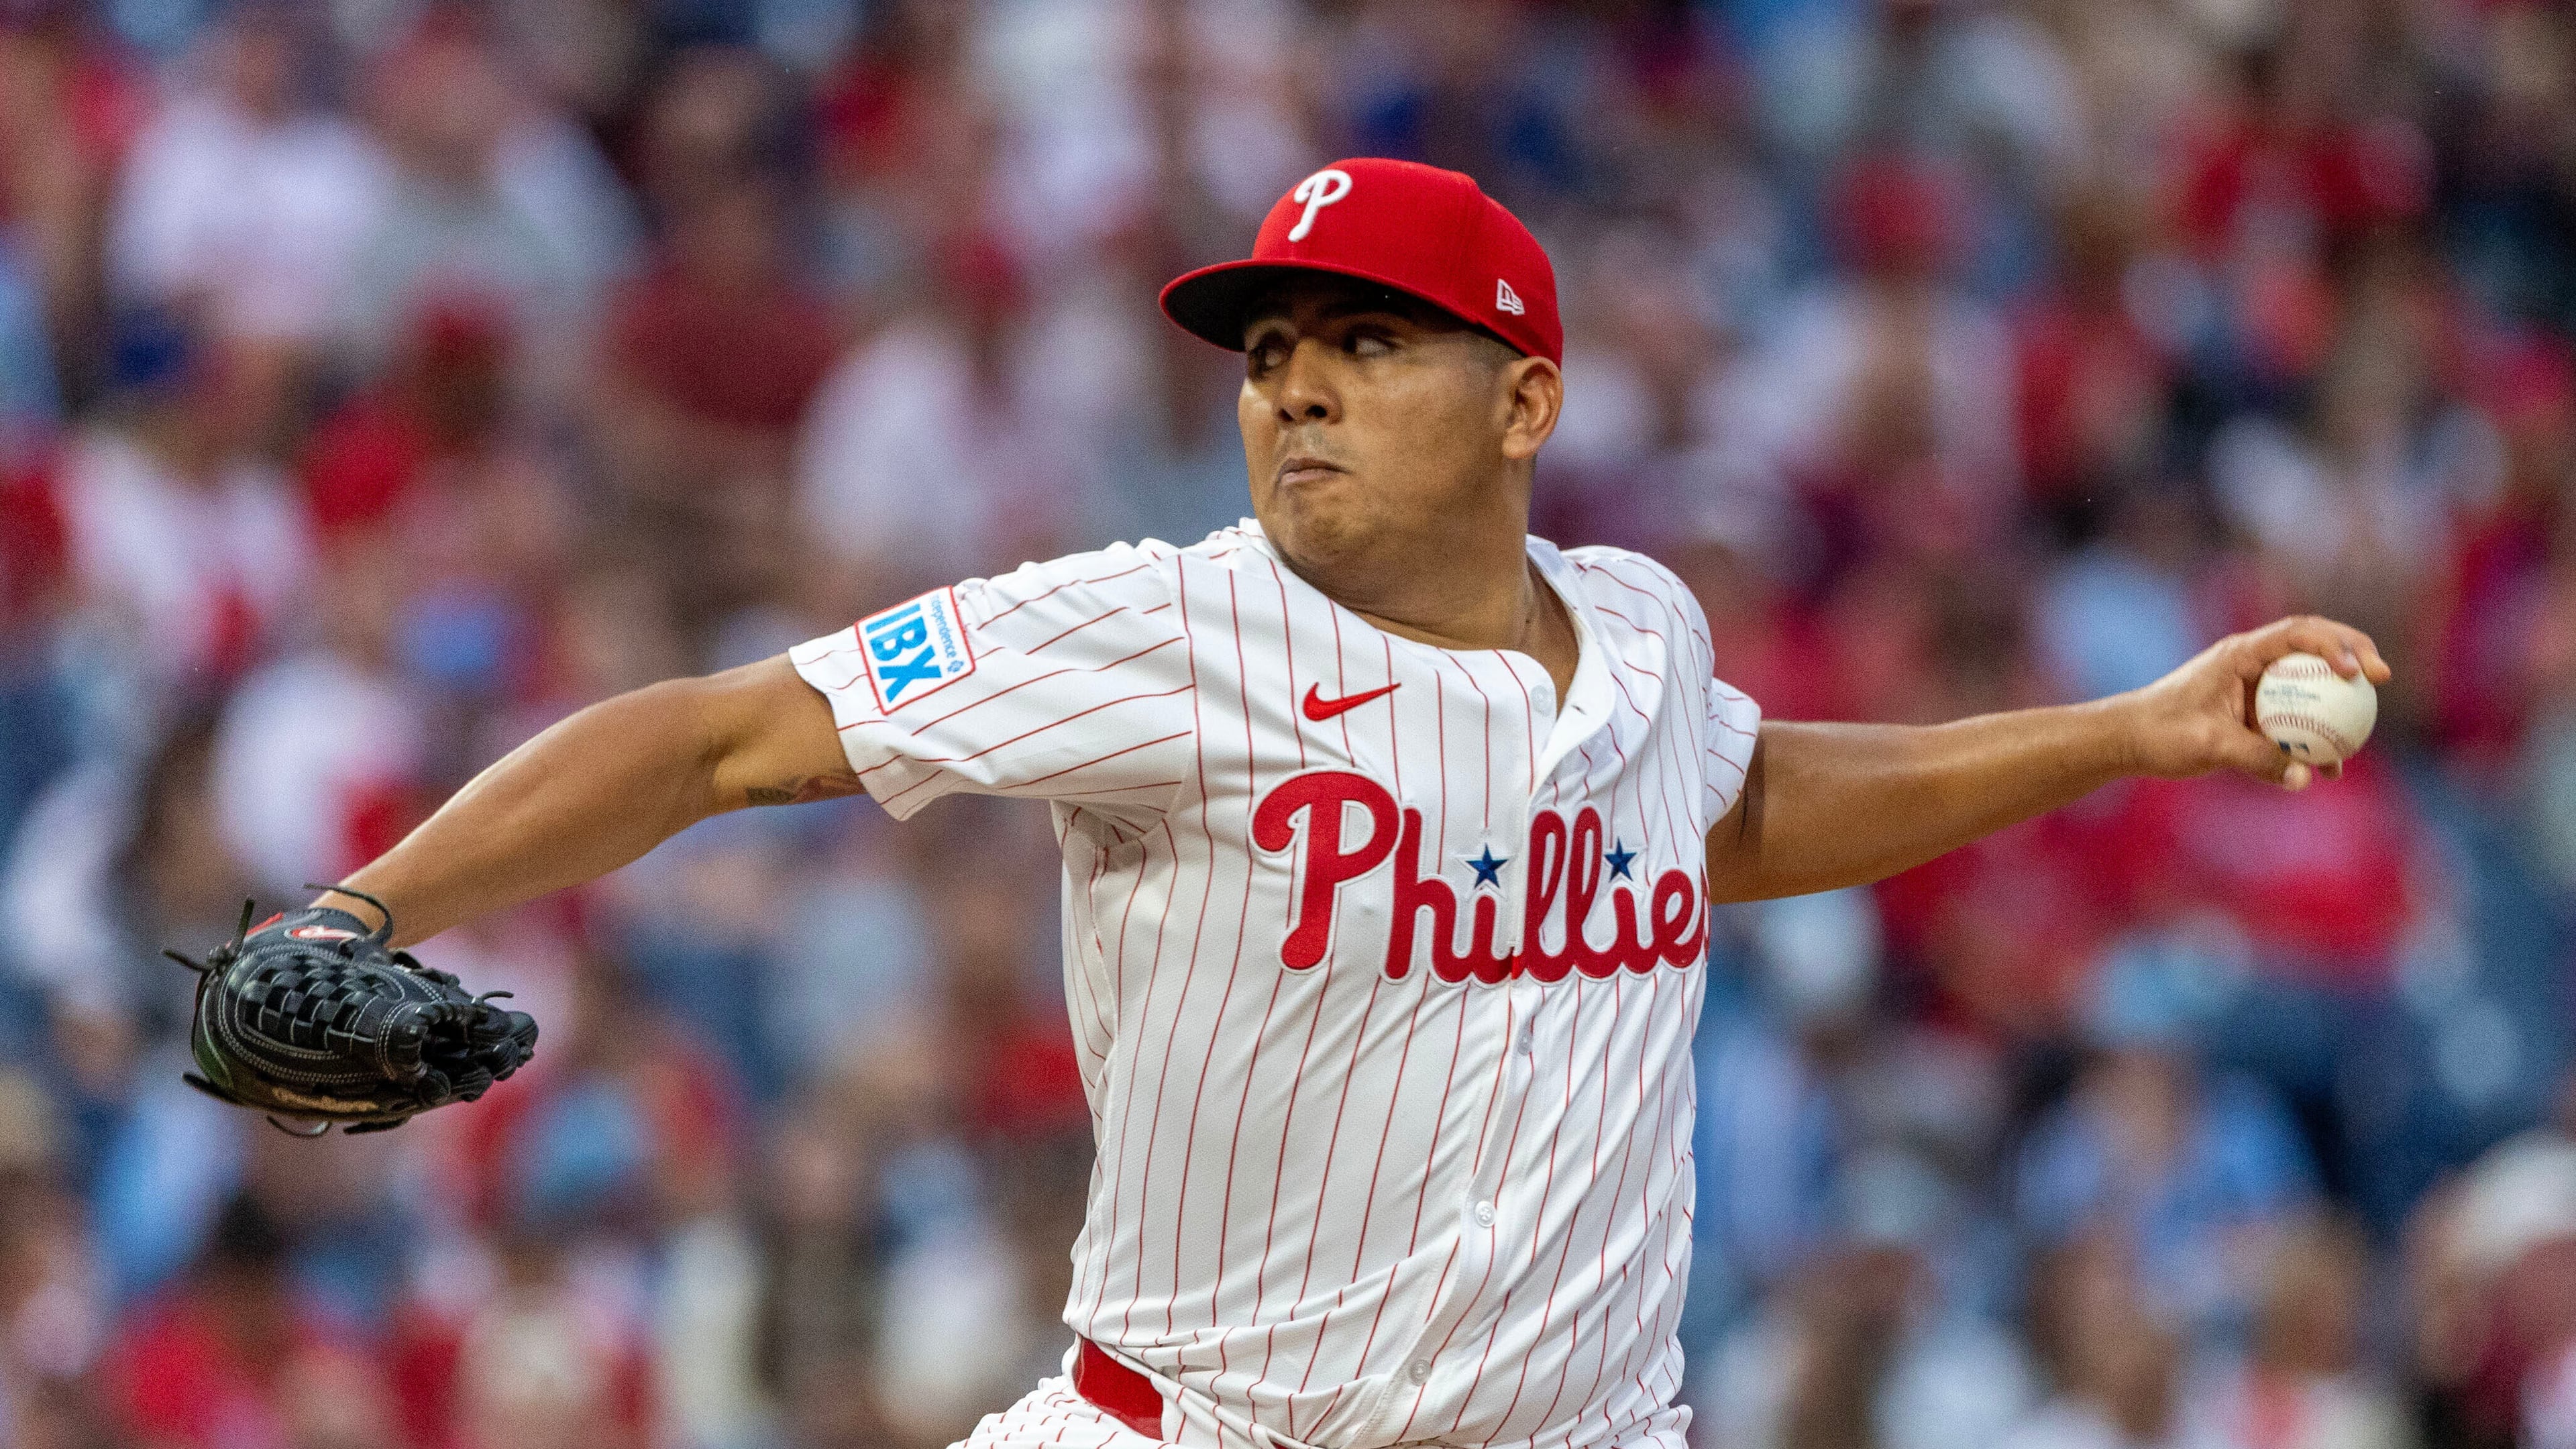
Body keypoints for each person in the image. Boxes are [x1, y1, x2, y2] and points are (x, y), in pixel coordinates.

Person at [277, 158, 2390, 1449]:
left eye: (1367, 341)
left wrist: (2130, 731)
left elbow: (1738, 821)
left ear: (1528, 400)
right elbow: (722, 734)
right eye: (1272, 342)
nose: (1291, 381)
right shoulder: (1158, 630)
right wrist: (357, 913)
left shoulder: (1644, 637)